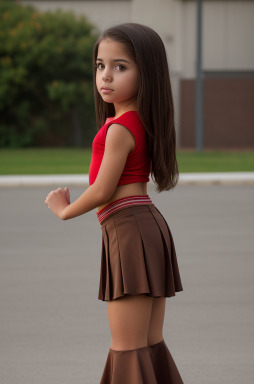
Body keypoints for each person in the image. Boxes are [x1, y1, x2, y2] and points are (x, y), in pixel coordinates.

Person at [45, 22, 184, 383]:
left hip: (129, 231)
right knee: (148, 343)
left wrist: (64, 211)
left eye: (120, 67)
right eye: (100, 65)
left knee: (127, 347)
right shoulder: (141, 121)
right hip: (145, 228)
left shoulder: (118, 129)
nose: (106, 76)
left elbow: (102, 191)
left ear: (147, 74)